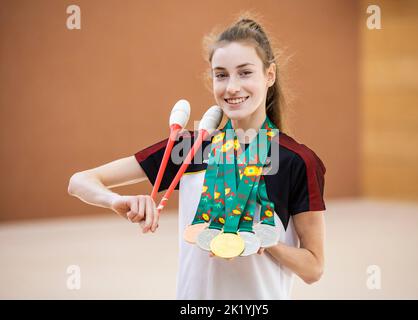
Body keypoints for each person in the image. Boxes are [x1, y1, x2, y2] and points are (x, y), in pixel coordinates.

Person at [68, 16, 326, 300]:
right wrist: (116, 200)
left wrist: (263, 242)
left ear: (270, 75)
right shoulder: (190, 148)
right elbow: (80, 181)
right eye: (221, 74)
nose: (232, 87)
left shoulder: (297, 161)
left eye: (245, 72)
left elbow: (313, 268)